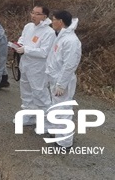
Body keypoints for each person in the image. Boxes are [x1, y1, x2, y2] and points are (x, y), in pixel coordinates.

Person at [12, 5, 56, 127]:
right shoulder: (28, 27)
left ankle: (47, 122)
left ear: (44, 16)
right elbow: (23, 38)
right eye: (32, 12)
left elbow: (44, 52)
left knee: (39, 92)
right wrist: (18, 44)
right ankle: (29, 115)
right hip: (25, 64)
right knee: (26, 90)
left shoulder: (49, 32)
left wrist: (26, 49)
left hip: (38, 68)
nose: (33, 16)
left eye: (37, 14)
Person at [45, 10, 81, 150]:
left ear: (60, 22)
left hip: (62, 81)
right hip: (55, 78)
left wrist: (61, 84)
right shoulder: (61, 36)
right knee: (56, 108)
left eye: (53, 20)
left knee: (63, 110)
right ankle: (56, 134)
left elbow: (69, 65)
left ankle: (64, 142)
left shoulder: (71, 41)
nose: (51, 22)